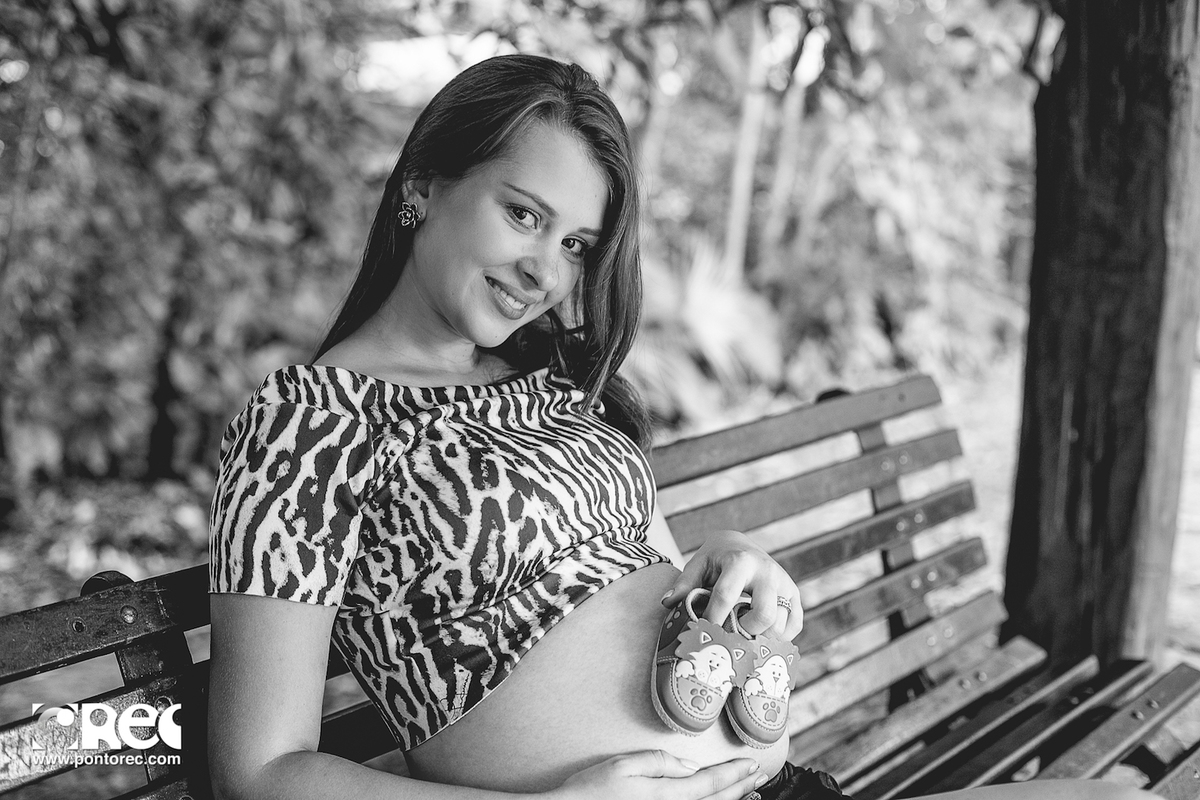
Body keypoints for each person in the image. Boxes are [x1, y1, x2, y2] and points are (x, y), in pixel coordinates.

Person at [206, 53, 1153, 800]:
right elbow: (260, 770)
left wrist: (730, 561)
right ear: (422, 185)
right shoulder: (308, 422)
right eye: (523, 215)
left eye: (576, 244)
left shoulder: (555, 384)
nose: (546, 272)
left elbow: (650, 577)